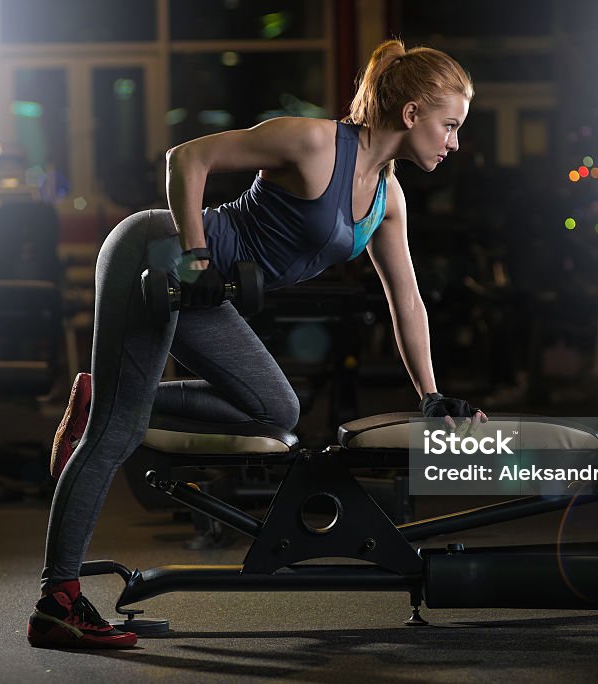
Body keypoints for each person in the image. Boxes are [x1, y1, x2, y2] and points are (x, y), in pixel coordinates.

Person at [26, 39, 488, 650]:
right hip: (157, 252)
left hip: (203, 291)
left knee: (277, 412)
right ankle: (56, 604)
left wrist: (430, 394)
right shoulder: (315, 141)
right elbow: (185, 158)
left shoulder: (388, 199)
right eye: (449, 125)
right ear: (411, 116)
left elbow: (406, 298)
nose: (454, 141)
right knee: (116, 434)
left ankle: (102, 396)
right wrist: (194, 257)